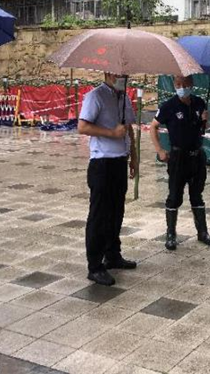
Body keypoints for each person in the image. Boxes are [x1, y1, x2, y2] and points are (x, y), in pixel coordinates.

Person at [78, 73, 138, 286]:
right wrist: (111, 133)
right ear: (108, 73)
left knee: (116, 211)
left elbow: (128, 128)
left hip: (120, 161)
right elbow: (83, 126)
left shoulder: (124, 97)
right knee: (100, 215)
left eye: (124, 74)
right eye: (118, 73)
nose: (122, 77)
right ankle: (94, 265)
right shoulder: (95, 96)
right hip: (102, 163)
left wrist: (134, 156)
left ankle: (112, 254)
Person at [149, 75, 210, 250]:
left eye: (185, 84)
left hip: (197, 156)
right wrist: (159, 150)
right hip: (178, 157)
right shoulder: (169, 106)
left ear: (191, 84)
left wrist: (206, 119)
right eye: (178, 84)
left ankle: (202, 232)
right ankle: (171, 234)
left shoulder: (199, 103)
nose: (182, 88)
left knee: (197, 195)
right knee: (174, 196)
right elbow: (153, 126)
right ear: (174, 85)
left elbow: (204, 128)